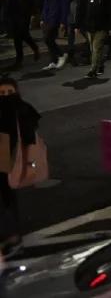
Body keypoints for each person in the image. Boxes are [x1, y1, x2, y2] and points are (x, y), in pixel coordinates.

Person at [0, 77, 40, 253]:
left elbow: (30, 138)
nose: (6, 96)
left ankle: (13, 237)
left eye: (10, 92)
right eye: (1, 93)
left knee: (7, 196)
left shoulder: (22, 110)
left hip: (10, 159)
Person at [77, 0, 111, 79]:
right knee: (93, 48)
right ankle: (100, 65)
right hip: (89, 26)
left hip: (102, 26)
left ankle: (93, 70)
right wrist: (79, 24)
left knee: (96, 48)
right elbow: (81, 9)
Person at [3, 0, 39, 70]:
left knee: (21, 34)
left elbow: (34, 0)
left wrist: (34, 14)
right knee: (18, 37)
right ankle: (21, 58)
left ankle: (22, 57)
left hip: (24, 14)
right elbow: (8, 0)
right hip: (13, 15)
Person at [39, 0, 70, 71]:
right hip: (47, 18)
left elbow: (64, 7)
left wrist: (63, 22)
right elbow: (45, 4)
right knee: (48, 40)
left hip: (56, 19)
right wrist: (42, 18)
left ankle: (61, 55)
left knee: (48, 39)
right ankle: (53, 61)